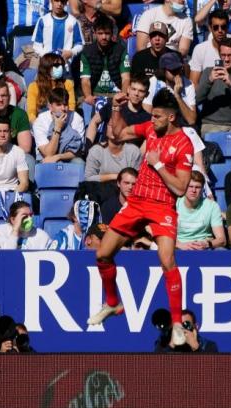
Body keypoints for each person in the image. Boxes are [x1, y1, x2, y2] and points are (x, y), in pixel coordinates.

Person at [87, 89, 194, 347]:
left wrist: (157, 165)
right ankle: (113, 303)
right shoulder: (150, 129)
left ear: (170, 117)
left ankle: (177, 324)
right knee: (102, 254)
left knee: (167, 260)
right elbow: (117, 134)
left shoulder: (184, 144)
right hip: (137, 202)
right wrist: (115, 109)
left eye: (157, 116)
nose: (152, 119)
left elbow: (180, 188)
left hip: (163, 206)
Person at [196, 38, 231, 137]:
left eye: (230, 55)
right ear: (219, 55)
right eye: (223, 55)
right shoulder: (208, 72)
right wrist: (209, 81)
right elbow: (196, 100)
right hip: (210, 125)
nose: (226, 59)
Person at [85, 74, 150, 146]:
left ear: (147, 94)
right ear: (128, 89)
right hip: (105, 151)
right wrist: (88, 147)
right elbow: (94, 122)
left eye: (141, 91)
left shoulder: (148, 119)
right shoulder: (114, 105)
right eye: (133, 89)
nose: (136, 94)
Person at [79, 14, 130, 106]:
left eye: (107, 33)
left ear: (112, 33)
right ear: (94, 33)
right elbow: (85, 80)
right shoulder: (87, 52)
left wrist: (123, 95)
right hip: (95, 95)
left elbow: (126, 78)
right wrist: (88, 96)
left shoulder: (120, 50)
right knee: (85, 106)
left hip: (116, 95)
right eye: (100, 33)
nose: (104, 37)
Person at [189, 10, 231, 86]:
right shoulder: (199, 49)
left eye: (223, 27)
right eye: (216, 27)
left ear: (227, 28)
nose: (220, 31)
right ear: (210, 28)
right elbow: (194, 83)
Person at [32, 87, 85, 163]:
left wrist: (59, 157)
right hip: (45, 159)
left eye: (65, 104)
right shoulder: (40, 121)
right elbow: (48, 154)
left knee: (79, 162)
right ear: (50, 106)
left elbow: (78, 150)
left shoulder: (77, 118)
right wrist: (58, 128)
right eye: (59, 105)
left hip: (69, 158)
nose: (63, 108)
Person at [176, 171, 226, 250]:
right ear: (185, 186)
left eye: (197, 187)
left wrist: (207, 244)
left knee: (221, 251)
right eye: (190, 186)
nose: (193, 190)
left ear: (203, 189)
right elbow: (163, 234)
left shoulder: (212, 206)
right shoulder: (174, 204)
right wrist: (179, 244)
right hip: (179, 247)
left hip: (204, 248)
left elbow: (222, 240)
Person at [143, 52, 196, 126]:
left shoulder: (188, 84)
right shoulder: (153, 82)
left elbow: (191, 120)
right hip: (158, 125)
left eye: (179, 69)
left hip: (180, 126)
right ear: (163, 71)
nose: (177, 73)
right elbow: (147, 112)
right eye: (173, 70)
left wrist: (178, 96)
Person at [27, 52, 75, 123]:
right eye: (56, 66)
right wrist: (38, 127)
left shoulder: (68, 84)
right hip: (40, 124)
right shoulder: (34, 86)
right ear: (46, 67)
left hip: (63, 120)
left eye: (61, 65)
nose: (60, 68)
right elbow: (31, 112)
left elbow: (71, 107)